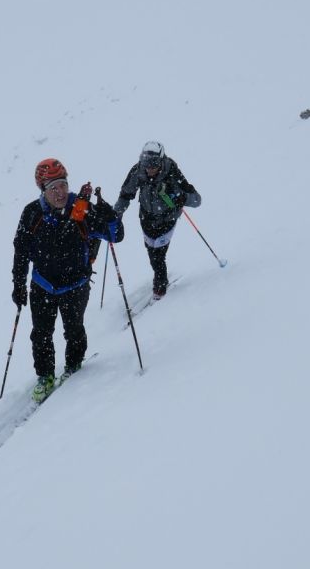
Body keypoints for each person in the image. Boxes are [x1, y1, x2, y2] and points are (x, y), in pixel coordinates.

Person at [12, 158, 123, 401]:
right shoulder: (32, 213)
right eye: (54, 187)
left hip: (76, 285)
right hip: (42, 285)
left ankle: (73, 365)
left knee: (73, 330)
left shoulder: (81, 208)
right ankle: (46, 375)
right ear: (43, 190)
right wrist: (18, 284)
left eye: (63, 184)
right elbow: (21, 251)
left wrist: (110, 216)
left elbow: (115, 236)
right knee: (40, 334)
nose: (60, 192)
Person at [113, 141, 201, 300]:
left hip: (167, 219)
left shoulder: (171, 171)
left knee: (158, 255)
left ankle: (160, 284)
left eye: (154, 164)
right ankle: (159, 275)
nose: (150, 168)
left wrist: (182, 197)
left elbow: (196, 200)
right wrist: (115, 215)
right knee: (150, 250)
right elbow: (126, 194)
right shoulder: (138, 171)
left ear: (162, 160)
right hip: (146, 218)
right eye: (146, 163)